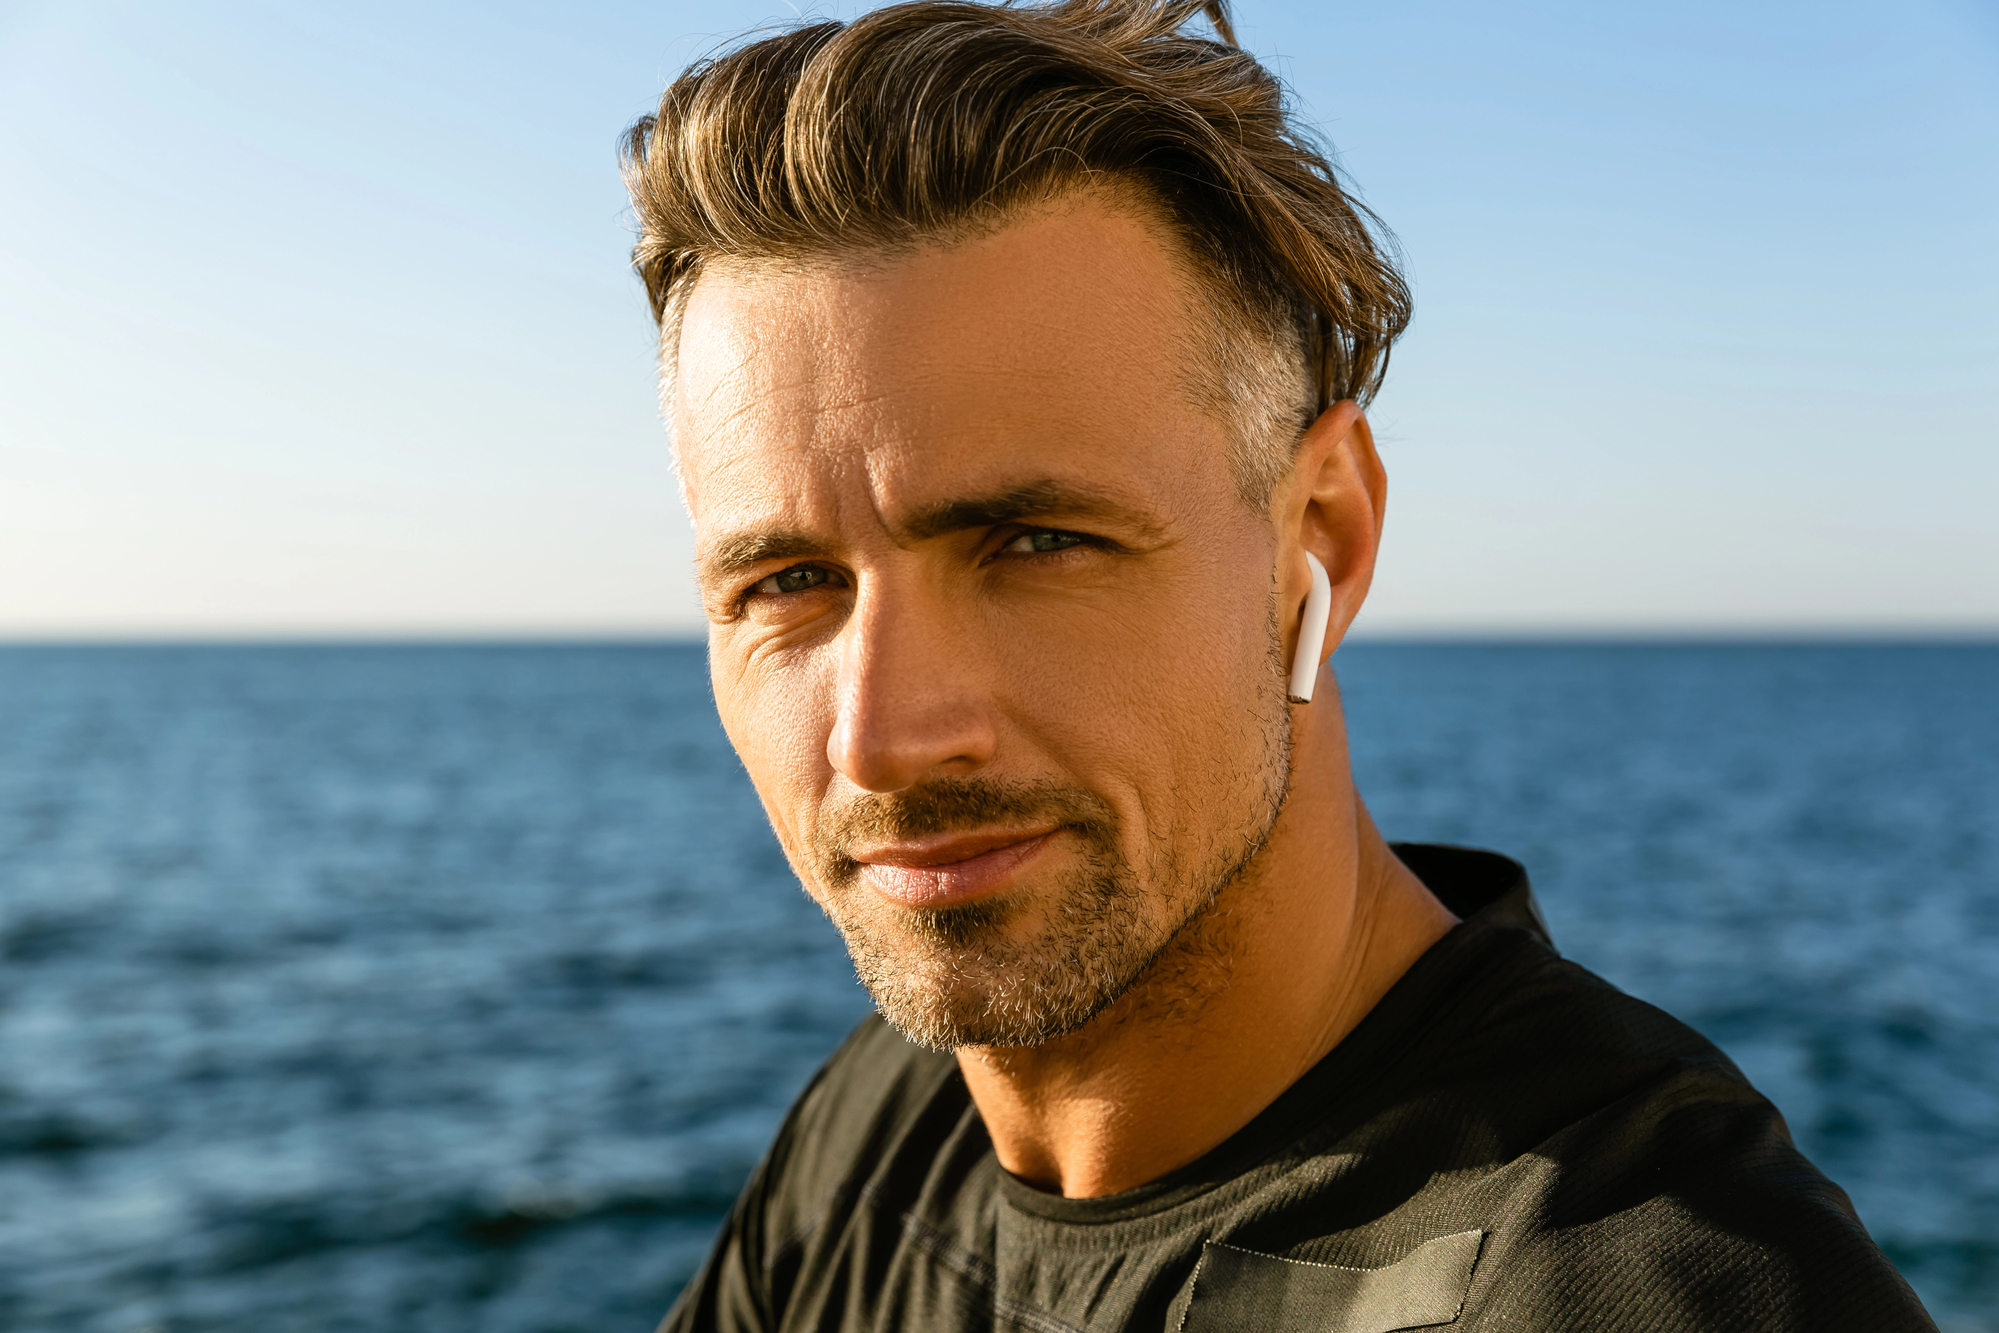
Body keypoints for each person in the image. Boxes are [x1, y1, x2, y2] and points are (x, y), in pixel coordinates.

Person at [619, 1, 1936, 1327]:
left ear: (1322, 536)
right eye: (787, 582)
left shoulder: (1633, 1282)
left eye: (1035, 541)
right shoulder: (888, 1121)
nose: (881, 737)